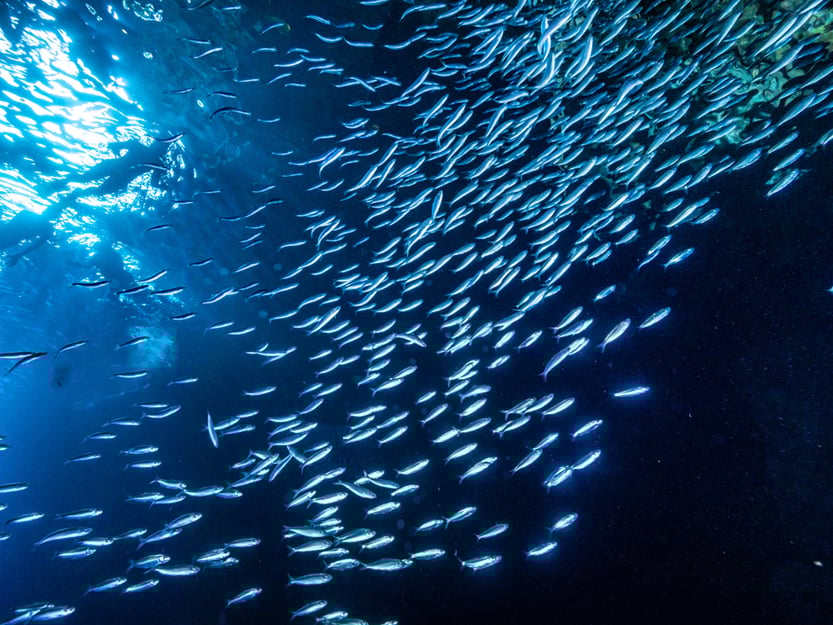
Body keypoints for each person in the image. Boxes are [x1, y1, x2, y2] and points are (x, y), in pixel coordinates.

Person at [0, 201, 66, 267]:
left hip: (8, 236)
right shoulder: (47, 229)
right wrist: (19, 254)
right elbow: (35, 246)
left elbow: (36, 245)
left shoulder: (27, 215)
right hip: (9, 237)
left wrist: (19, 255)